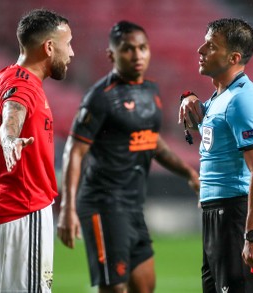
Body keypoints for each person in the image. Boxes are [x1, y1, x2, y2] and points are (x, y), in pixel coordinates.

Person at [57, 20, 200, 293]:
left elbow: (153, 142)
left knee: (145, 288)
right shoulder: (99, 98)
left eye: (143, 48)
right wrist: (67, 208)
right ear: (112, 55)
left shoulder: (151, 91)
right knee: (115, 289)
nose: (137, 55)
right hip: (103, 204)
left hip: (133, 205)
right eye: (128, 49)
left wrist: (189, 174)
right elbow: (75, 151)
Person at [0, 9, 74, 292]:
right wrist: (9, 138)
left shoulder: (3, 77)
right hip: (23, 209)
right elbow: (12, 115)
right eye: (68, 44)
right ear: (49, 47)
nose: (72, 53)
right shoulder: (24, 86)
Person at [178, 18, 253, 292]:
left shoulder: (244, 99)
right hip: (218, 214)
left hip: (238, 214)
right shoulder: (222, 97)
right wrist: (187, 96)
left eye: (210, 45)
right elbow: (203, 125)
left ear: (233, 57)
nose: (200, 49)